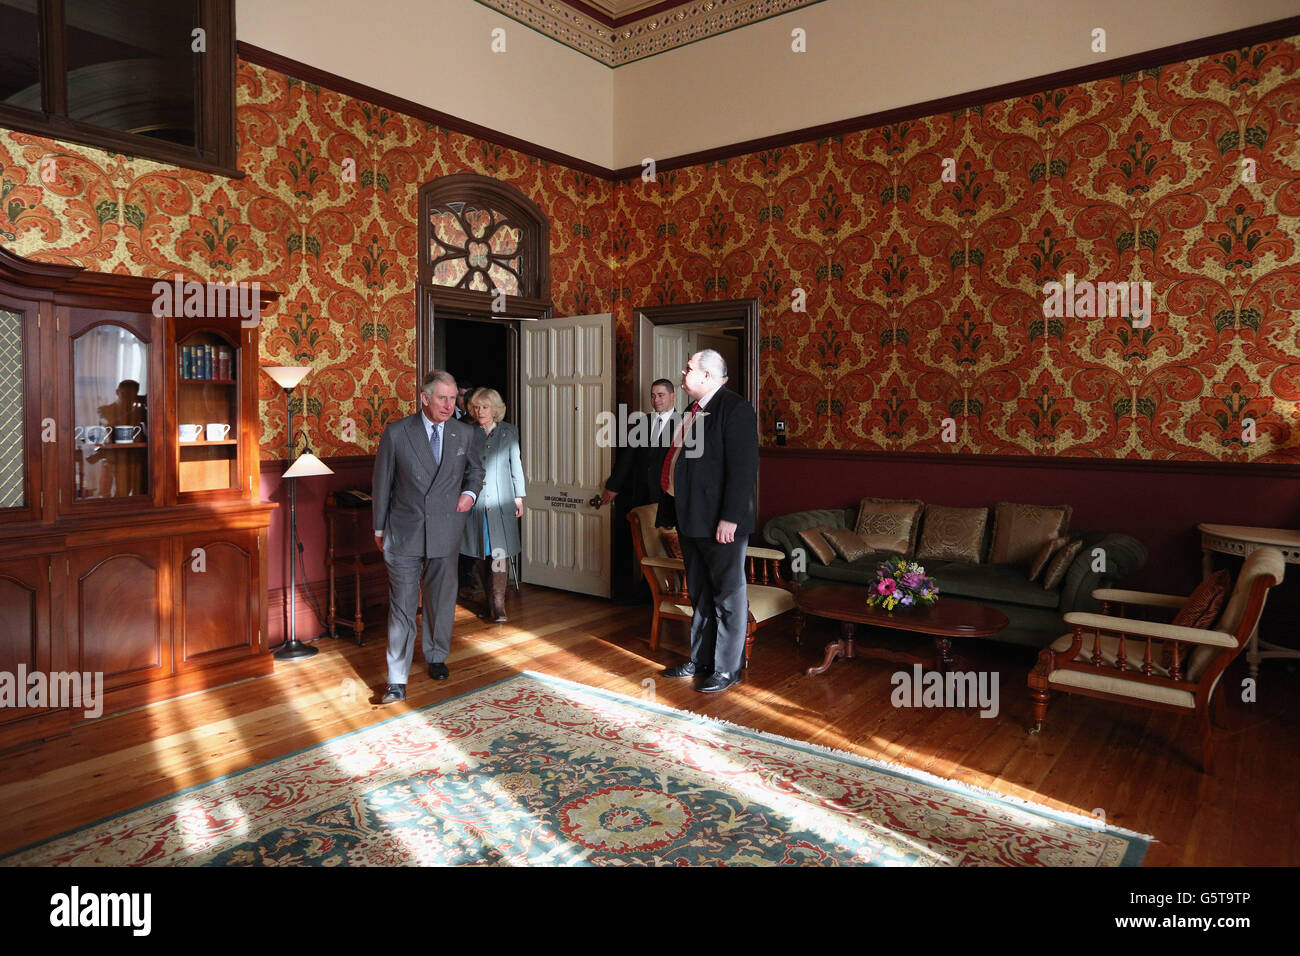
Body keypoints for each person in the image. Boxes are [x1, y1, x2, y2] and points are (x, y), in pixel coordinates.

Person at [371, 370, 485, 703]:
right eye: (441, 398)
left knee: (440, 599)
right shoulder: (397, 433)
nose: (450, 405)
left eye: (453, 398)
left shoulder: (464, 434)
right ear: (424, 398)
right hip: (404, 532)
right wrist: (379, 528)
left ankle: (436, 656)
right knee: (403, 606)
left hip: (446, 531)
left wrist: (470, 494)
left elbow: (476, 471)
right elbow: (382, 483)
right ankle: (396, 678)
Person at [656, 350, 758, 693]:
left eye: (688, 368)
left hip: (721, 523)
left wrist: (731, 517)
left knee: (727, 596)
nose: (682, 372)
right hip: (691, 518)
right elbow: (680, 464)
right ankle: (701, 659)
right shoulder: (692, 409)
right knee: (700, 593)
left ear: (707, 376)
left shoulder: (736, 409)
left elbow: (743, 472)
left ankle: (727, 669)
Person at [602, 379, 677, 601]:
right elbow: (628, 457)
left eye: (661, 395)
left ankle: (669, 590)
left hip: (669, 493)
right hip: (642, 492)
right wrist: (613, 487)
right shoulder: (643, 422)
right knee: (645, 542)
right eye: (653, 395)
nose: (656, 400)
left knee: (667, 542)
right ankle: (647, 588)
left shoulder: (685, 423)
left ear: (672, 397)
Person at [459, 387, 525, 622]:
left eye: (485, 407)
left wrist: (519, 497)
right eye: (476, 407)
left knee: (500, 551)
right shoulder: (466, 432)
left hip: (501, 501)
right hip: (474, 503)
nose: (480, 411)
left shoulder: (509, 432)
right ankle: (488, 600)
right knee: (478, 551)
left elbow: (515, 465)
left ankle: (498, 605)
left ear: (495, 409)